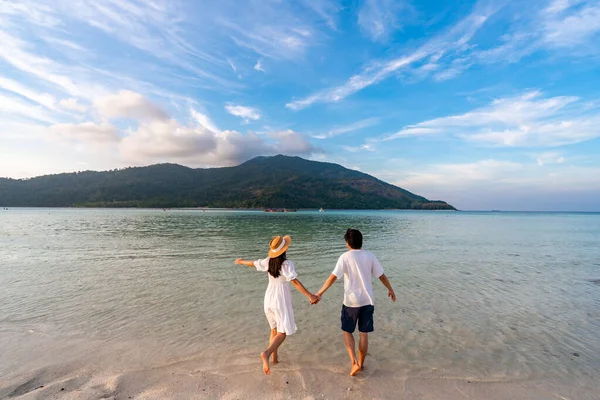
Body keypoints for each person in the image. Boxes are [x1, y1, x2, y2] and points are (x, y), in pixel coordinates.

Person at [314, 228, 396, 376]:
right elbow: (381, 276)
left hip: (351, 302)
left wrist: (319, 292)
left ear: (347, 243)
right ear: (361, 241)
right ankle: (361, 363)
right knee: (363, 334)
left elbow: (333, 277)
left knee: (347, 331)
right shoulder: (370, 256)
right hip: (367, 300)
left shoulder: (344, 257)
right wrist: (390, 289)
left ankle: (353, 362)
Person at [235, 235, 319, 375]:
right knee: (282, 332)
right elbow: (295, 282)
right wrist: (310, 295)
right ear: (284, 250)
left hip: (268, 298)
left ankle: (275, 360)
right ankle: (267, 354)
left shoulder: (268, 261)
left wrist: (240, 261)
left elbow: (253, 263)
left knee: (273, 330)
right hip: (280, 299)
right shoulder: (287, 264)